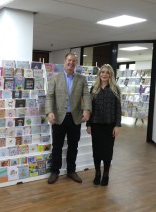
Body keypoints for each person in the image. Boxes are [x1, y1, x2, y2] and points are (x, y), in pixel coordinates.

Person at [45, 52, 92, 184]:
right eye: (69, 60)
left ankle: (71, 170)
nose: (71, 63)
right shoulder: (55, 78)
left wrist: (87, 109)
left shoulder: (81, 79)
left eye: (73, 61)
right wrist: (49, 112)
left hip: (75, 118)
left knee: (73, 146)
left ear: (76, 63)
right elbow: (50, 96)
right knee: (57, 146)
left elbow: (86, 95)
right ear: (64, 61)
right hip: (59, 118)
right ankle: (55, 171)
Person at [86, 64, 122, 186]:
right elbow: (90, 108)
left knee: (107, 151)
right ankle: (97, 173)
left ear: (111, 75)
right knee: (96, 150)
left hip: (109, 125)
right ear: (99, 74)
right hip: (96, 125)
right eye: (102, 72)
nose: (104, 74)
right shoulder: (94, 89)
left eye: (107, 72)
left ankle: (106, 174)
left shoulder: (115, 89)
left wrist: (117, 125)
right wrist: (88, 124)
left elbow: (118, 109)